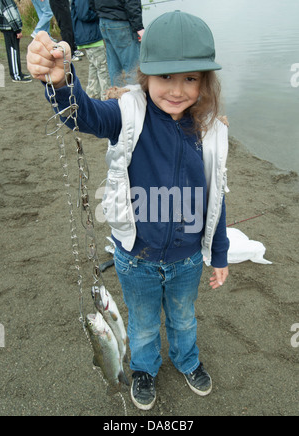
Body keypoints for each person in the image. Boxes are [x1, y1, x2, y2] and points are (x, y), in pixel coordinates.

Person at [27, 11, 230, 411]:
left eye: (190, 78)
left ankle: (188, 360)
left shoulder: (212, 133)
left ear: (205, 83)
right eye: (165, 77)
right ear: (145, 75)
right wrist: (61, 82)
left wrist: (219, 254)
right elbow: (82, 113)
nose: (176, 89)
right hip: (134, 256)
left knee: (184, 316)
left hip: (188, 258)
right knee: (139, 322)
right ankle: (144, 368)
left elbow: (217, 199)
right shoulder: (127, 114)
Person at [91, 0, 144, 86]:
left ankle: (117, 97)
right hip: (121, 22)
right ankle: (135, 97)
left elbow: (91, 3)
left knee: (114, 67)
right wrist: (139, 27)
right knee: (132, 68)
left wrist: (101, 12)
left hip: (104, 20)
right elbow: (131, 2)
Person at [71, 0, 110, 100]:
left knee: (94, 67)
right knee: (103, 68)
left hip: (88, 35)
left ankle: (92, 97)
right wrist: (100, 13)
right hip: (91, 36)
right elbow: (84, 14)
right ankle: (106, 99)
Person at [0, 0, 31, 82]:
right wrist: (17, 29)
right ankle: (16, 75)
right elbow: (10, 13)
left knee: (14, 51)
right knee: (13, 51)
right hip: (10, 28)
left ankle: (18, 73)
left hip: (8, 27)